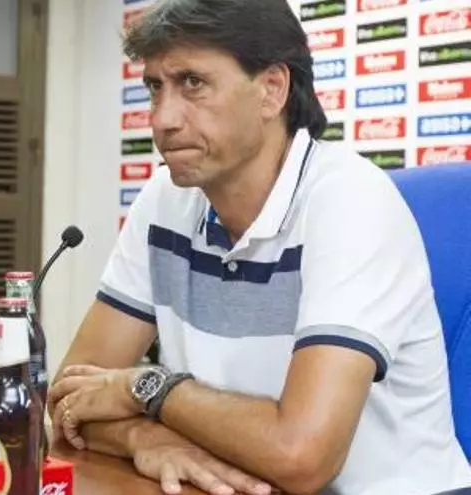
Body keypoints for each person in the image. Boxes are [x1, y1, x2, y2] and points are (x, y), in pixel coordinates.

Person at [47, 1, 471, 494]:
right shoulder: (165, 199)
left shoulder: (351, 201)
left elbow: (301, 458)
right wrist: (145, 437)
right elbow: (69, 398)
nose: (163, 119)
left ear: (272, 89)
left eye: (192, 83)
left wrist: (148, 389)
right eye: (155, 87)